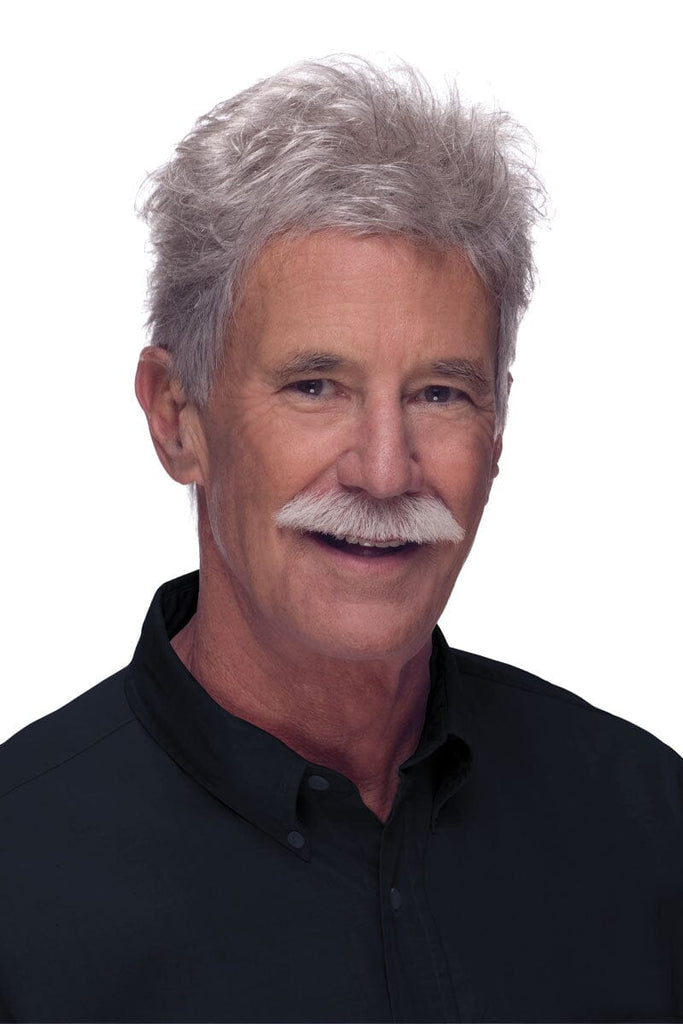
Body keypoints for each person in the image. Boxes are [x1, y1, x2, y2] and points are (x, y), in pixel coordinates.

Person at [1, 56, 681, 1024]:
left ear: (496, 430)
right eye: (313, 386)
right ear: (176, 418)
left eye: (438, 393)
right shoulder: (21, 878)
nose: (384, 471)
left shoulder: (644, 820)